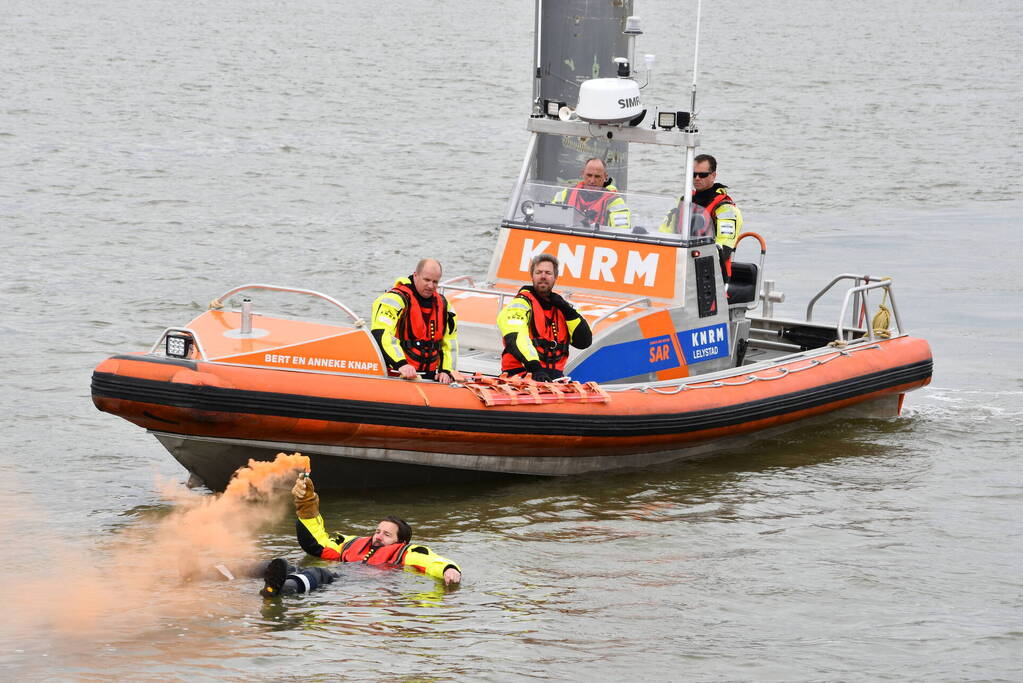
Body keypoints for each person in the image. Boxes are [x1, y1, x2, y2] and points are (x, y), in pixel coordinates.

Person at [260, 474, 462, 597]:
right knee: (284, 565)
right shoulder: (352, 543)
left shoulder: (406, 553)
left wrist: (449, 569)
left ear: (400, 541)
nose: (378, 536)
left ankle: (278, 590)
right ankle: (235, 571)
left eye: (386, 534)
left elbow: (433, 561)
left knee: (318, 573)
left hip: (354, 582)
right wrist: (307, 508)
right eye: (377, 531)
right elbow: (317, 544)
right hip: (340, 574)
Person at [496, 253, 592, 382]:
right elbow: (516, 338)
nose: (543, 276)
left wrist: (569, 311)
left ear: (555, 277)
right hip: (520, 375)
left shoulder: (562, 308)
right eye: (538, 272)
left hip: (554, 379)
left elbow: (583, 342)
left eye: (548, 273)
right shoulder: (519, 305)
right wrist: (534, 368)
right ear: (532, 275)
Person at [371, 258, 461, 383]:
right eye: (427, 280)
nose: (431, 286)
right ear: (415, 275)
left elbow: (450, 342)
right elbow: (382, 334)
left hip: (429, 377)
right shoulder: (394, 300)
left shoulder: (444, 305)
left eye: (435, 282)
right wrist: (401, 364)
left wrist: (446, 371)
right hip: (398, 373)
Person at [659, 154, 743, 282]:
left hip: (712, 277)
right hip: (679, 269)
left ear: (713, 176)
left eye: (702, 175)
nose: (697, 178)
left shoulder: (726, 209)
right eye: (693, 174)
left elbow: (723, 249)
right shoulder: (683, 201)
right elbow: (665, 233)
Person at [552, 157, 632, 230]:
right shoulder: (564, 195)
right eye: (589, 175)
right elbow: (550, 221)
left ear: (605, 177)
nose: (592, 181)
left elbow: (622, 231)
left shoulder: (615, 202)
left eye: (597, 177)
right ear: (582, 174)